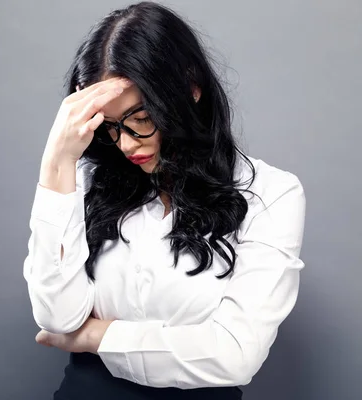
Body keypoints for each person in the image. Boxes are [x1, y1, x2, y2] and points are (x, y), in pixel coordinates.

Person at [22, 2, 306, 399]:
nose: (125, 144)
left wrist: (97, 336)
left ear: (190, 88)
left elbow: (236, 355)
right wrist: (57, 160)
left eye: (142, 118)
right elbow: (55, 316)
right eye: (109, 126)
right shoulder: (83, 182)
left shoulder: (270, 194)